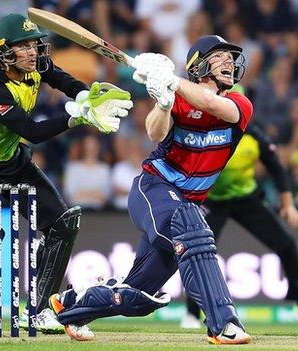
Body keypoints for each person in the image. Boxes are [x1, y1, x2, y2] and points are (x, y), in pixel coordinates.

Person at [0, 13, 133, 335]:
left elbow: (62, 79)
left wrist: (84, 96)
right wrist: (78, 117)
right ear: (4, 52)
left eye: (33, 45)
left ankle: (39, 310)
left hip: (14, 163)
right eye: (23, 46)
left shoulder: (36, 65)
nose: (32, 52)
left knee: (64, 222)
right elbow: (31, 131)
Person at [49, 35, 254, 345]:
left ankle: (72, 304)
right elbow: (155, 132)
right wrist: (163, 102)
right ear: (198, 65)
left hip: (187, 204)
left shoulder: (239, 103)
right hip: (154, 188)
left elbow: (211, 104)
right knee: (191, 224)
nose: (229, 61)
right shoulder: (178, 98)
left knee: (139, 297)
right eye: (220, 56)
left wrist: (170, 80)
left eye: (231, 57)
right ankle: (225, 324)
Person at [180, 123, 298, 329]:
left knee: (286, 245)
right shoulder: (204, 131)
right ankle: (191, 314)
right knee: (198, 252)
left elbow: (275, 167)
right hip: (211, 200)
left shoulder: (255, 136)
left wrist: (288, 204)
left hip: (245, 199)